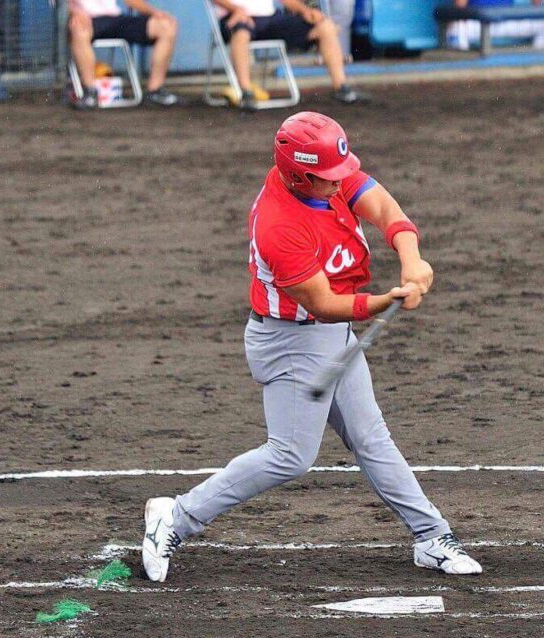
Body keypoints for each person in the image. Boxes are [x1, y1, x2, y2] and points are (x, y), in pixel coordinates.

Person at [142, 112, 483, 583]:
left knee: (370, 437)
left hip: (327, 335)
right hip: (291, 342)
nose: (338, 184)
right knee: (290, 454)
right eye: (327, 179)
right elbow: (323, 303)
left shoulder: (324, 177)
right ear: (299, 174)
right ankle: (175, 517)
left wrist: (411, 256)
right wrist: (384, 301)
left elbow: (382, 206)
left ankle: (430, 536)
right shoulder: (281, 225)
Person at [211, 0, 365, 107]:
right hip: (234, 17)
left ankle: (341, 88)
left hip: (270, 18)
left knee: (325, 26)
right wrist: (236, 10)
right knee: (241, 32)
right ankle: (245, 92)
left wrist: (306, 11)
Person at [68, 0, 180, 109]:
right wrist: (74, 12)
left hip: (115, 18)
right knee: (79, 28)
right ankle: (90, 93)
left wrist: (155, 13)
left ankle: (155, 91)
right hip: (87, 19)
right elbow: (60, 5)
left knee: (167, 26)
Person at [446, 0, 544, 51]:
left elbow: (537, 4)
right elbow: (459, 7)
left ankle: (539, 66)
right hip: (478, 24)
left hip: (506, 21)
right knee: (456, 29)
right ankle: (466, 73)